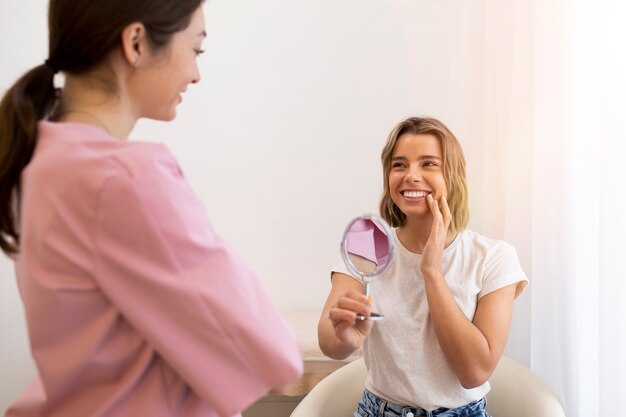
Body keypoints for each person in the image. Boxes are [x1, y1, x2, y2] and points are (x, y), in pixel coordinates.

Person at [0, 1, 302, 416]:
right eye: (196, 49)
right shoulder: (125, 179)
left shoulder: (42, 162)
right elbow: (271, 353)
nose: (196, 74)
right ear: (137, 42)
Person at [318, 117, 528, 417]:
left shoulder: (494, 257)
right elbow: (329, 343)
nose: (411, 176)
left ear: (453, 175)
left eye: (428, 164)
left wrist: (431, 270)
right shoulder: (368, 244)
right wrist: (342, 336)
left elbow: (475, 371)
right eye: (399, 165)